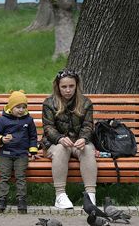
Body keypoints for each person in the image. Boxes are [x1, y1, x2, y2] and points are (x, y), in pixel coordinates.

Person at [41, 68, 97, 210]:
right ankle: (60, 195)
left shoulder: (85, 102)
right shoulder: (49, 103)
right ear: (58, 87)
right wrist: (59, 138)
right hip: (55, 143)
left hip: (77, 142)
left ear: (77, 86)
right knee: (61, 149)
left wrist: (83, 138)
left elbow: (88, 126)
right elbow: (48, 128)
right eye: (64, 87)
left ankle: (90, 195)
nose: (68, 90)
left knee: (87, 149)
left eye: (71, 86)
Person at [0, 90, 37, 213]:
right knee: (4, 176)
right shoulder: (3, 120)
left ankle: (21, 199)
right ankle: (2, 198)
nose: (21, 110)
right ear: (11, 107)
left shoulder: (28, 120)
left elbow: (33, 136)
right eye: (18, 107)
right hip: (5, 154)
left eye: (24, 107)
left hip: (21, 154)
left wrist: (32, 151)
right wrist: (1, 139)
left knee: (21, 177)